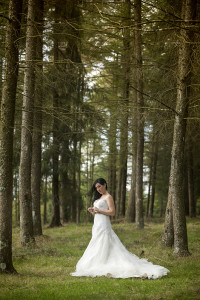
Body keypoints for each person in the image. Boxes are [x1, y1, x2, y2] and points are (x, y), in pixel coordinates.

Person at [71, 178, 169, 279]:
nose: (98, 189)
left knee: (105, 241)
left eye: (99, 186)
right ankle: (98, 261)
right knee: (97, 242)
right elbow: (97, 214)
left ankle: (107, 262)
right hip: (97, 225)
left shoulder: (108, 197)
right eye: (96, 188)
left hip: (104, 225)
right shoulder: (99, 198)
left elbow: (112, 212)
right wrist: (92, 211)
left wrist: (99, 210)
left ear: (105, 185)